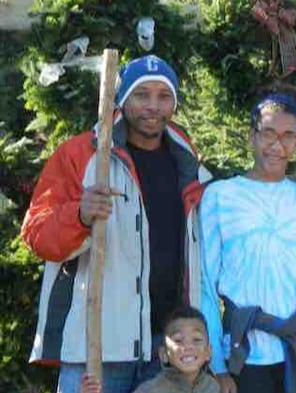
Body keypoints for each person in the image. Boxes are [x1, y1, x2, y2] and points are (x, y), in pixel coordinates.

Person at [21, 55, 211, 393]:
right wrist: (79, 215)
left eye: (163, 96)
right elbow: (38, 235)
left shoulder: (189, 166)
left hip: (166, 350)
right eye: (142, 94)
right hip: (98, 348)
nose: (153, 106)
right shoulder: (82, 155)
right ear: (121, 100)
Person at [199, 84, 296, 393]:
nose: (277, 144)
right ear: (252, 136)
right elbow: (205, 283)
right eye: (268, 133)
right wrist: (216, 364)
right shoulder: (221, 195)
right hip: (247, 351)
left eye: (288, 136)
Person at [133, 306, 219, 393]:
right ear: (163, 354)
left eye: (196, 339)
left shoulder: (212, 387)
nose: (188, 346)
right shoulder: (150, 390)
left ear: (208, 351)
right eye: (178, 340)